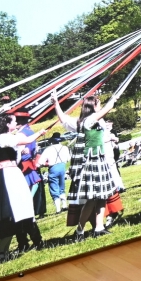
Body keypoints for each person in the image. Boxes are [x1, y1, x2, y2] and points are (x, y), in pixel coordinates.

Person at [52, 90, 118, 239]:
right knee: (92, 198)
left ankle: (99, 228)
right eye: (98, 103)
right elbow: (106, 109)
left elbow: (63, 118)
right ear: (93, 106)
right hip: (92, 161)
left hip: (99, 159)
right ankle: (79, 231)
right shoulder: (89, 120)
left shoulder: (84, 121)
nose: (100, 106)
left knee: (101, 196)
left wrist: (56, 103)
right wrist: (113, 97)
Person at [0, 114, 47, 259]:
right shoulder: (3, 137)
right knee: (15, 212)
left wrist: (20, 150)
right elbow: (26, 139)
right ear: (7, 124)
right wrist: (39, 132)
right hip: (8, 177)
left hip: (13, 174)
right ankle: (3, 249)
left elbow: (17, 154)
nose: (16, 122)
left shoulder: (5, 138)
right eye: (14, 121)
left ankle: (6, 249)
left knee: (21, 209)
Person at [37, 132, 71, 214]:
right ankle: (64, 205)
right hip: (62, 167)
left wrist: (43, 165)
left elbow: (41, 162)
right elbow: (68, 158)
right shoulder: (65, 148)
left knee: (54, 187)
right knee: (61, 186)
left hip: (53, 168)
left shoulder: (48, 149)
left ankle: (58, 209)